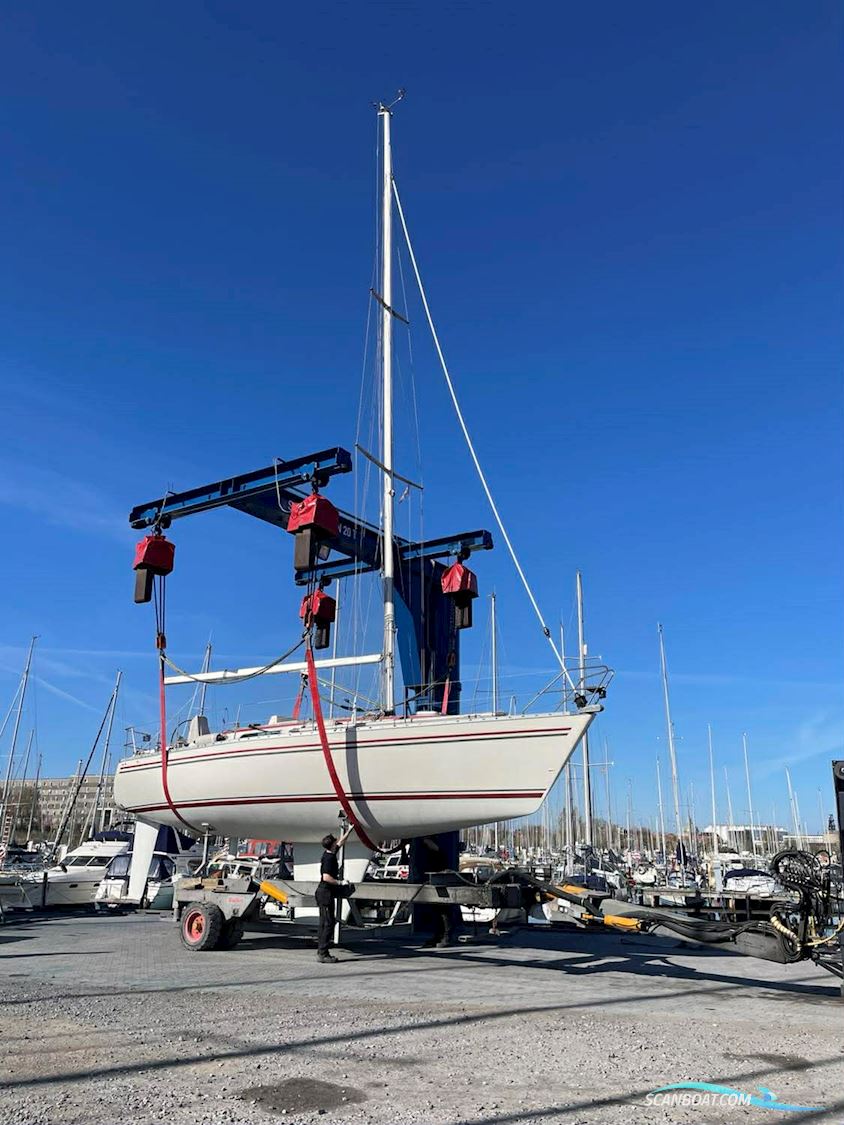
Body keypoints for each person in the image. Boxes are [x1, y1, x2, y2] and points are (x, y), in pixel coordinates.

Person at [315, 825, 354, 963]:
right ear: (331, 845)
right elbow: (326, 877)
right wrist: (340, 882)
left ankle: (322, 950)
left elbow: (340, 843)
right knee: (328, 923)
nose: (336, 842)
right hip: (325, 893)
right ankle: (323, 953)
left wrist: (349, 830)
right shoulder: (329, 859)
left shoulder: (329, 852)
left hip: (324, 893)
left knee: (324, 923)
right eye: (334, 841)